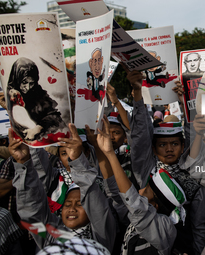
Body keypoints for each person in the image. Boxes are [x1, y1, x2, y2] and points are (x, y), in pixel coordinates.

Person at [125, 66, 205, 255]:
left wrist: (183, 102)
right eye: (163, 145)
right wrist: (137, 93)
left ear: (182, 146)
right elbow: (139, 138)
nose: (169, 149)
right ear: (154, 149)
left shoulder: (192, 174)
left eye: (174, 144)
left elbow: (199, 225)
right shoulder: (148, 170)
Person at [10, 124, 116, 252]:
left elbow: (95, 203)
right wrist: (23, 163)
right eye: (67, 204)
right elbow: (33, 212)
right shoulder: (53, 237)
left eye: (79, 204)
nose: (71, 209)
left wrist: (77, 160)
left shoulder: (100, 238)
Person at [96, 115, 182, 255]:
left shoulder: (160, 227)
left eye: (147, 189)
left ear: (154, 206)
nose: (141, 189)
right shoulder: (139, 218)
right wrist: (99, 148)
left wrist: (111, 154)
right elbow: (113, 189)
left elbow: (132, 199)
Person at [6, 57, 67, 142]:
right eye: (24, 82)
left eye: (31, 83)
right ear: (17, 79)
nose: (27, 87)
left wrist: (38, 128)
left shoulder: (38, 93)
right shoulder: (10, 93)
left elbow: (55, 116)